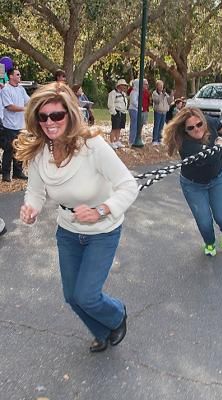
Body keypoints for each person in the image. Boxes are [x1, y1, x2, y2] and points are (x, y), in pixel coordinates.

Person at [14, 82, 139, 352]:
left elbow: (129, 185)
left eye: (56, 115)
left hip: (103, 231)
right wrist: (31, 209)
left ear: (69, 115)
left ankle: (117, 315)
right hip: (68, 232)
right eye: (43, 117)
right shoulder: (39, 152)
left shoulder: (92, 146)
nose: (50, 122)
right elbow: (35, 192)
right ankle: (101, 331)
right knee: (72, 296)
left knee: (87, 295)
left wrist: (101, 210)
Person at [163, 107, 222, 256]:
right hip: (193, 185)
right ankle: (210, 243)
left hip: (217, 178)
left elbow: (220, 127)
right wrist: (219, 145)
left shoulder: (209, 122)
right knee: (204, 222)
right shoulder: (185, 144)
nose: (197, 129)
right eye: (191, 128)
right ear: (185, 130)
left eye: (199, 124)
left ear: (203, 121)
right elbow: (211, 157)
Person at [1, 67, 30, 182]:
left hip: (20, 125)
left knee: (20, 149)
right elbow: (9, 107)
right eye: (17, 75)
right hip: (10, 125)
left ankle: (18, 172)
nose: (20, 76)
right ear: (11, 76)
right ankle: (6, 174)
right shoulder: (6, 90)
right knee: (9, 150)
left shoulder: (21, 89)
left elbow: (28, 101)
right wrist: (25, 109)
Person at [108, 79, 128, 150]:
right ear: (119, 85)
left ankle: (117, 141)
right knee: (114, 127)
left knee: (119, 127)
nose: (124, 87)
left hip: (123, 112)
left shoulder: (123, 94)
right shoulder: (113, 93)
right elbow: (111, 103)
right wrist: (114, 112)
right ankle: (112, 142)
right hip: (117, 112)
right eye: (123, 85)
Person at [152, 80, 174, 145]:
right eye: (160, 85)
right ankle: (155, 139)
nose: (161, 87)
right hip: (158, 111)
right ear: (157, 86)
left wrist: (171, 96)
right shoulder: (155, 93)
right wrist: (162, 95)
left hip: (164, 112)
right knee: (157, 125)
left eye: (162, 85)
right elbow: (157, 101)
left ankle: (159, 139)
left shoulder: (165, 94)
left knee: (161, 126)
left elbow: (169, 102)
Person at [128, 79, 139, 146]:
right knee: (133, 125)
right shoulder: (134, 92)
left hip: (136, 109)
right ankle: (131, 141)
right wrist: (139, 106)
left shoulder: (137, 92)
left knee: (135, 125)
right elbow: (133, 101)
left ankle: (134, 139)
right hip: (133, 109)